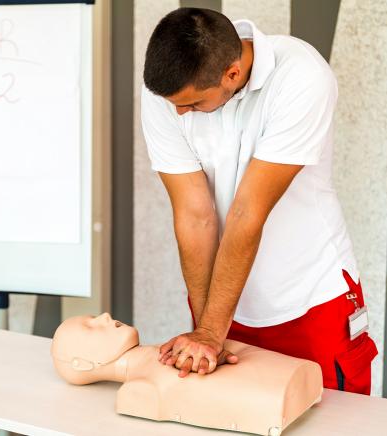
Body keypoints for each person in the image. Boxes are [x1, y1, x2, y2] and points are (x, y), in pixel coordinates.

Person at [140, 8, 377, 392]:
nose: (180, 113)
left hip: (308, 298)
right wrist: (208, 330)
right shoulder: (171, 90)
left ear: (232, 75)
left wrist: (211, 332)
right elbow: (193, 213)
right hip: (223, 304)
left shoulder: (301, 76)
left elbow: (247, 212)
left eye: (194, 105)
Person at [51, 313, 323, 436]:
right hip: (284, 401)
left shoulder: (169, 350)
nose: (105, 316)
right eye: (90, 326)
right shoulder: (138, 390)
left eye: (93, 316)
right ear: (82, 364)